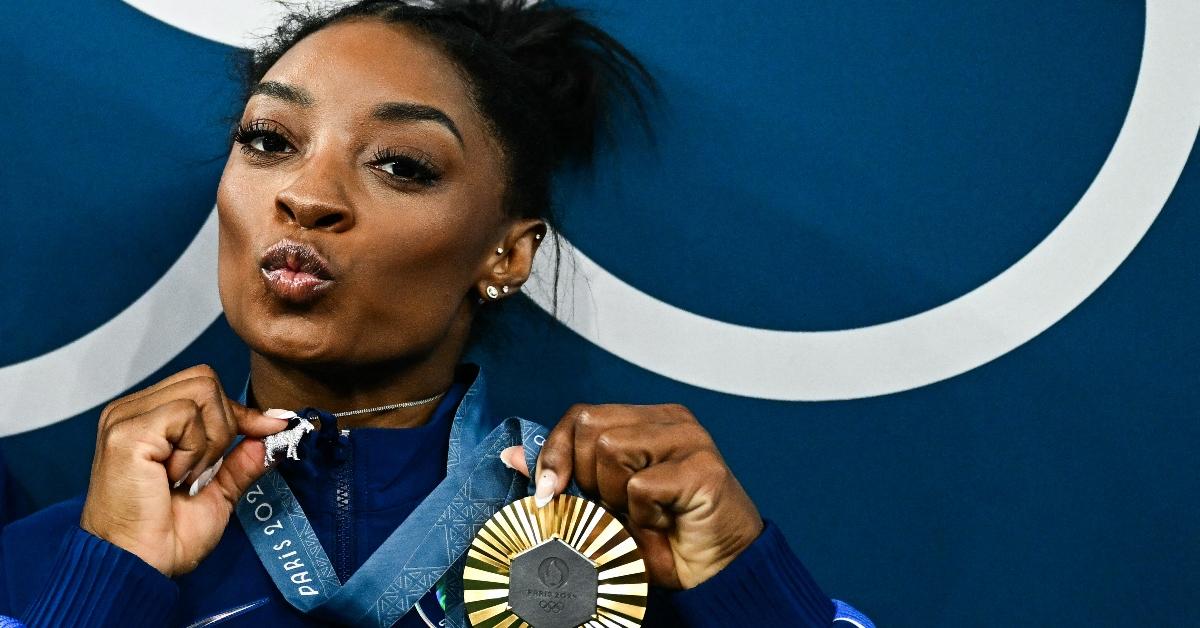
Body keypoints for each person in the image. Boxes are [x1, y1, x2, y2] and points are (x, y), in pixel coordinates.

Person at [0, 1, 872, 626]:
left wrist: (745, 591)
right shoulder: (48, 564)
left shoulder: (628, 558)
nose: (306, 195)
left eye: (402, 165)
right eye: (270, 141)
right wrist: (106, 581)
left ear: (507, 254)